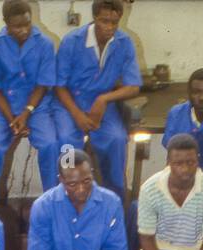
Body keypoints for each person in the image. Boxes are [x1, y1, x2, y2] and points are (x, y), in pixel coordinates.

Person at [52, 0, 141, 198]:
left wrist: (103, 99)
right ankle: (64, 196)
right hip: (69, 104)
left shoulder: (124, 43)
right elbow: (59, 85)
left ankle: (114, 199)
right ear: (94, 18)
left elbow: (133, 86)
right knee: (67, 142)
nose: (109, 27)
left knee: (117, 139)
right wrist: (77, 115)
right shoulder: (72, 41)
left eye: (114, 22)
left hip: (103, 105)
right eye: (104, 21)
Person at [0, 0, 59, 202]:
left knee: (52, 144)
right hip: (1, 108)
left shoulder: (45, 43)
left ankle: (53, 200)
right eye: (18, 26)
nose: (24, 30)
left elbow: (43, 84)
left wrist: (25, 113)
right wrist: (12, 119)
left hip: (36, 107)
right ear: (6, 23)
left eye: (27, 24)